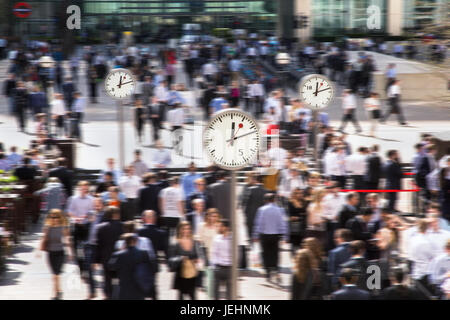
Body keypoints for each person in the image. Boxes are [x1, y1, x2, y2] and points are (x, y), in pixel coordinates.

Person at [252, 193, 289, 282]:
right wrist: (285, 236)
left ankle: (268, 271)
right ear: (274, 200)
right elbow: (283, 224)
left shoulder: (261, 209)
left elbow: (258, 223)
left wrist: (255, 235)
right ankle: (275, 269)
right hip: (275, 235)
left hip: (264, 235)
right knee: (275, 253)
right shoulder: (280, 210)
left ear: (265, 200)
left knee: (265, 253)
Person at [39, 209, 72, 300]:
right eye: (52, 217)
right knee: (54, 274)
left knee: (56, 274)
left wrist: (69, 252)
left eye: (56, 217)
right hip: (50, 253)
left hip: (60, 252)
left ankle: (54, 293)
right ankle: (59, 290)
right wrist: (38, 251)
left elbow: (67, 239)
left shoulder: (63, 227)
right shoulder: (47, 227)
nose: (54, 219)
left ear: (60, 217)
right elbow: (43, 239)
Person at [108, 233, 151, 300]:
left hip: (124, 287)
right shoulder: (144, 253)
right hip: (139, 287)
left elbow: (111, 267)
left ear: (125, 242)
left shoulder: (118, 255)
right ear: (136, 242)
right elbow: (150, 268)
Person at [95, 206, 124, 299]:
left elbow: (98, 245)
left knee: (107, 279)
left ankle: (109, 295)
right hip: (120, 257)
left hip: (105, 257)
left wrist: (96, 260)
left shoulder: (100, 228)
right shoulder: (123, 226)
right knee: (120, 278)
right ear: (116, 215)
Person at [168, 221, 202, 300]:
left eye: (188, 229)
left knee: (193, 296)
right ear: (180, 230)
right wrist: (180, 258)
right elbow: (170, 260)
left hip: (192, 274)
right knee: (180, 296)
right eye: (184, 229)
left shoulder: (195, 242)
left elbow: (199, 255)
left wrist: (198, 260)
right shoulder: (175, 242)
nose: (186, 231)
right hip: (181, 274)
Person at [211, 219, 232, 300]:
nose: (219, 227)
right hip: (219, 267)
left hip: (229, 268)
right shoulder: (217, 238)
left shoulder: (232, 239)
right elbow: (214, 253)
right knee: (215, 291)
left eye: (221, 226)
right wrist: (215, 266)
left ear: (226, 228)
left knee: (230, 291)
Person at [287, 188, 308, 253]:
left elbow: (306, 214)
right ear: (294, 194)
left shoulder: (305, 202)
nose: (300, 195)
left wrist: (299, 217)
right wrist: (300, 216)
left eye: (301, 193)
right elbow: (290, 216)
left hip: (303, 227)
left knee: (302, 245)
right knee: (294, 246)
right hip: (294, 227)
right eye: (297, 193)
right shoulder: (290, 203)